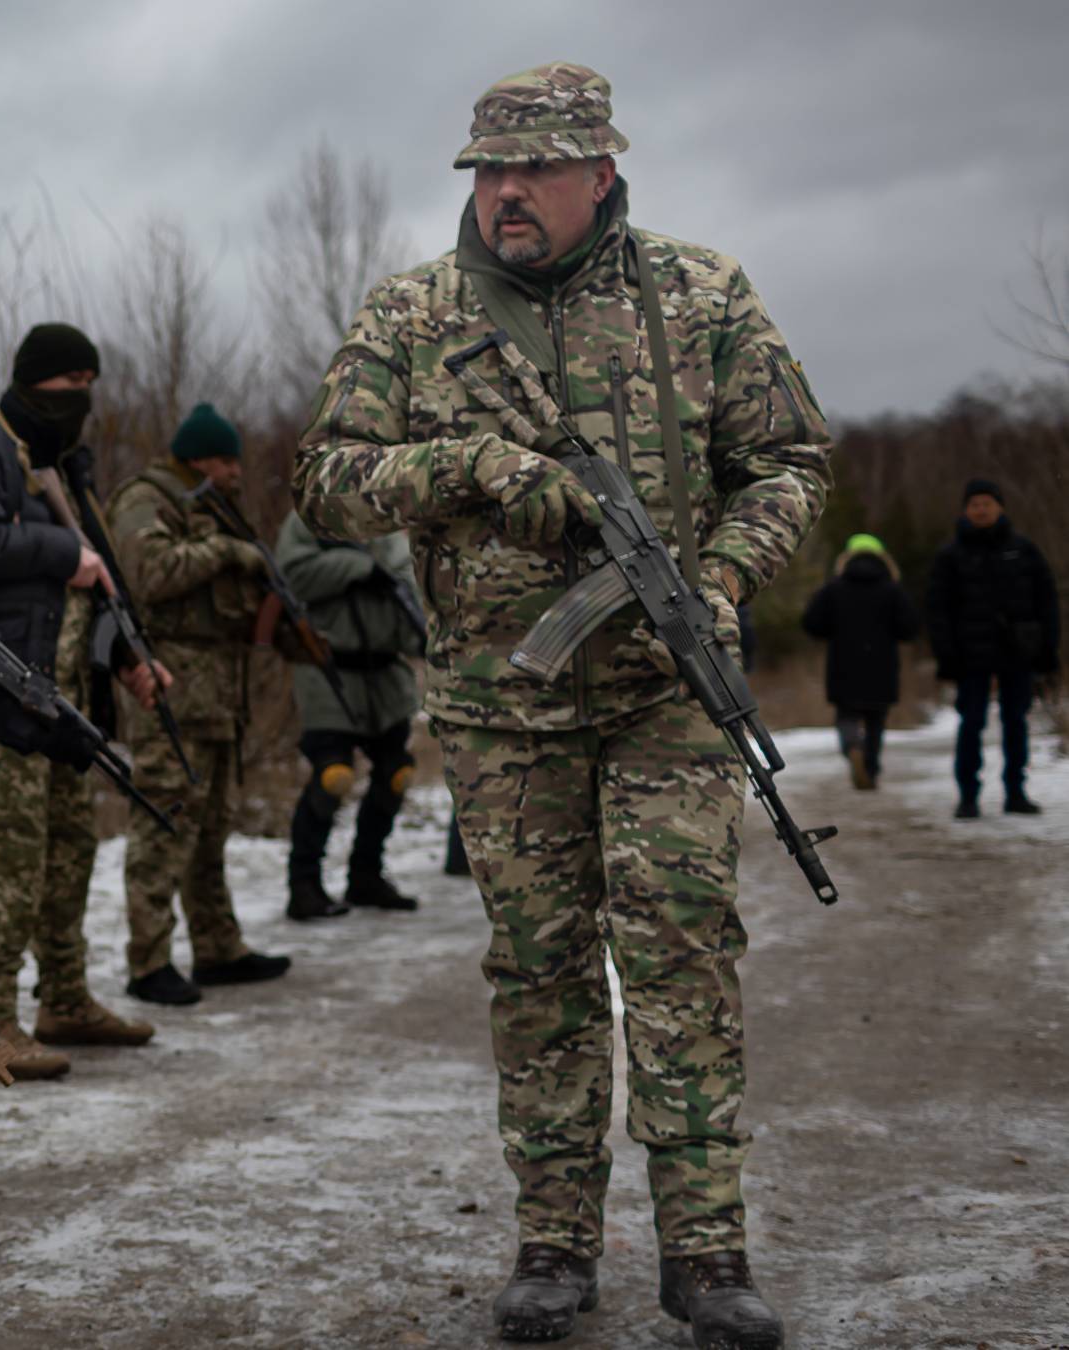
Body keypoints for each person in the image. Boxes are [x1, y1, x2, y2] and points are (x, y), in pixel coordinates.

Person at [294, 64, 831, 1347]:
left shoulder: (699, 296)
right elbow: (325, 482)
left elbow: (792, 462)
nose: (507, 193)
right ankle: (554, 1243)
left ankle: (707, 1251)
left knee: (681, 956)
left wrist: (718, 576)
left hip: (666, 697)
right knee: (538, 972)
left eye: (535, 169)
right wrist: (466, 470)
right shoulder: (415, 315)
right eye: (488, 169)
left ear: (602, 171)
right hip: (500, 704)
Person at [0, 322, 166, 1079]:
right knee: (11, 857)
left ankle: (63, 996)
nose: (79, 401)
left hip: (69, 706)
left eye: (88, 388)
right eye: (67, 387)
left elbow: (104, 583)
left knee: (71, 850)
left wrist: (132, 658)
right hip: (6, 698)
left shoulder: (66, 463)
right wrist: (62, 551)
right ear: (32, 383)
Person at [104, 402, 294, 1005]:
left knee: (211, 829)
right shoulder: (149, 499)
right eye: (226, 461)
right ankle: (149, 960)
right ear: (199, 459)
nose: (237, 473)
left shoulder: (209, 504)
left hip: (218, 693)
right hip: (171, 690)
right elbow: (148, 572)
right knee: (165, 825)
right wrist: (226, 553)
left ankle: (217, 947)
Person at [272, 512, 426, 920]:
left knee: (397, 774)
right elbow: (291, 573)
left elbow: (407, 586)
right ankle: (303, 886)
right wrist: (357, 568)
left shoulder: (391, 524)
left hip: (385, 673)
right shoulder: (310, 516)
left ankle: (366, 875)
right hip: (327, 667)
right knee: (333, 776)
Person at [926, 479, 1058, 817]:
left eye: (987, 503)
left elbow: (1047, 602)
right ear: (965, 510)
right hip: (970, 655)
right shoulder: (951, 556)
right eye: (975, 504)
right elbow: (937, 610)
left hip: (1018, 651)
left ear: (1000, 507)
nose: (981, 509)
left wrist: (1048, 649)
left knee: (1017, 721)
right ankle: (968, 796)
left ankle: (1016, 791)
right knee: (972, 723)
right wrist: (946, 655)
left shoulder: (1024, 550)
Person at [800, 534, 920, 790]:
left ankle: (853, 747)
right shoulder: (892, 589)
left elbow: (811, 623)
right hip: (882, 665)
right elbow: (909, 628)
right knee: (876, 720)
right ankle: (871, 768)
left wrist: (833, 631)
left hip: (844, 664)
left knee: (847, 715)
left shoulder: (834, 588)